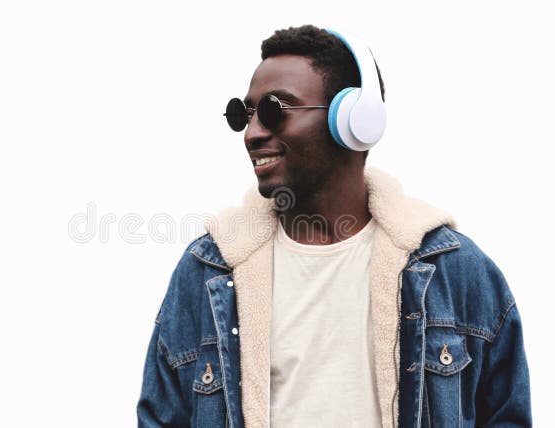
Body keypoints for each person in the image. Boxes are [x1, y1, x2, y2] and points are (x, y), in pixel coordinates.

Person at [137, 24, 531, 427]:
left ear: (355, 122)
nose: (253, 133)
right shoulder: (208, 273)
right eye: (245, 114)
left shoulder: (456, 272)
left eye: (275, 110)